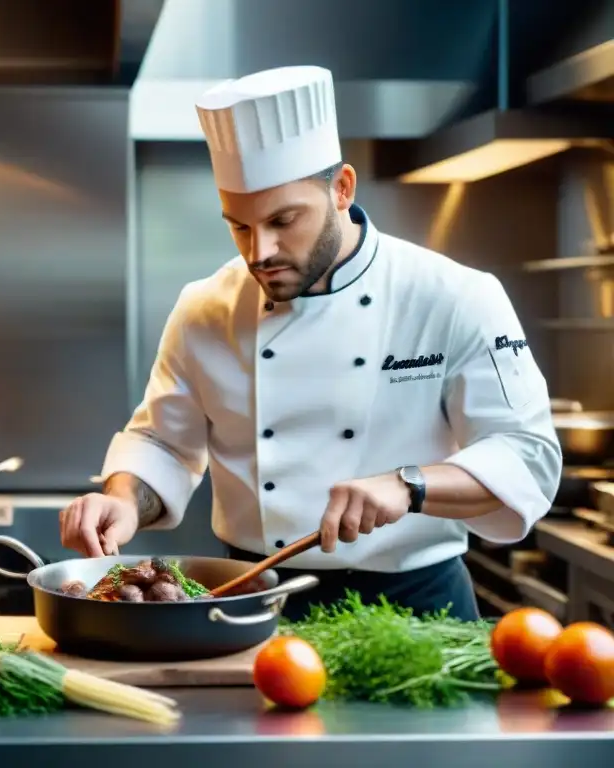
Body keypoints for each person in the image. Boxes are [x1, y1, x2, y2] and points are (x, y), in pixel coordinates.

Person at [58, 65, 562, 621]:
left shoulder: (454, 296)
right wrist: (123, 499)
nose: (259, 251)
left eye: (283, 220)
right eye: (240, 226)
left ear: (342, 188)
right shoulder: (204, 308)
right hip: (254, 601)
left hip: (415, 612)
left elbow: (528, 456)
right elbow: (163, 444)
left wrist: (410, 485)